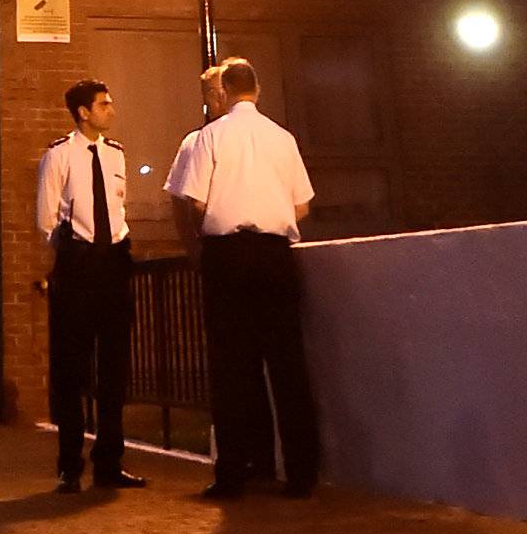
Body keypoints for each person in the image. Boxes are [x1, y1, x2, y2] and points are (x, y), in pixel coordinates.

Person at [166, 55, 320, 500]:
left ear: (225, 92)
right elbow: (303, 206)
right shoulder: (283, 137)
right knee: (287, 363)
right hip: (276, 254)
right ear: (258, 90)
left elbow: (193, 201)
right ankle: (301, 471)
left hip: (228, 255)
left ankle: (235, 471)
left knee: (232, 365)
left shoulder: (209, 137)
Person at [35, 77, 145, 493]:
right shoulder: (59, 156)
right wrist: (70, 257)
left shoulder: (116, 154)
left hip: (114, 263)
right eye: (104, 104)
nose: (111, 110)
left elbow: (118, 206)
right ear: (84, 112)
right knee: (72, 368)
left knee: (114, 368)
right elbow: (46, 217)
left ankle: (109, 463)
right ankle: (69, 464)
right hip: (79, 265)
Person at [170, 67, 274, 486]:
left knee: (254, 364)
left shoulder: (261, 137)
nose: (216, 98)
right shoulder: (197, 142)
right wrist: (196, 251)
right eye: (209, 92)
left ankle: (258, 460)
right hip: (231, 255)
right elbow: (183, 201)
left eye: (219, 89)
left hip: (242, 254)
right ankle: (242, 460)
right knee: (235, 365)